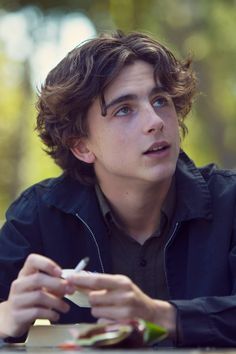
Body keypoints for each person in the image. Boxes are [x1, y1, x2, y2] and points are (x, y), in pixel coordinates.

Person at [0, 30, 235, 347]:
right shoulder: (39, 214)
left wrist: (158, 314)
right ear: (82, 147)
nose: (155, 121)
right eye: (124, 109)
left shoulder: (229, 202)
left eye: (160, 100)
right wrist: (6, 317)